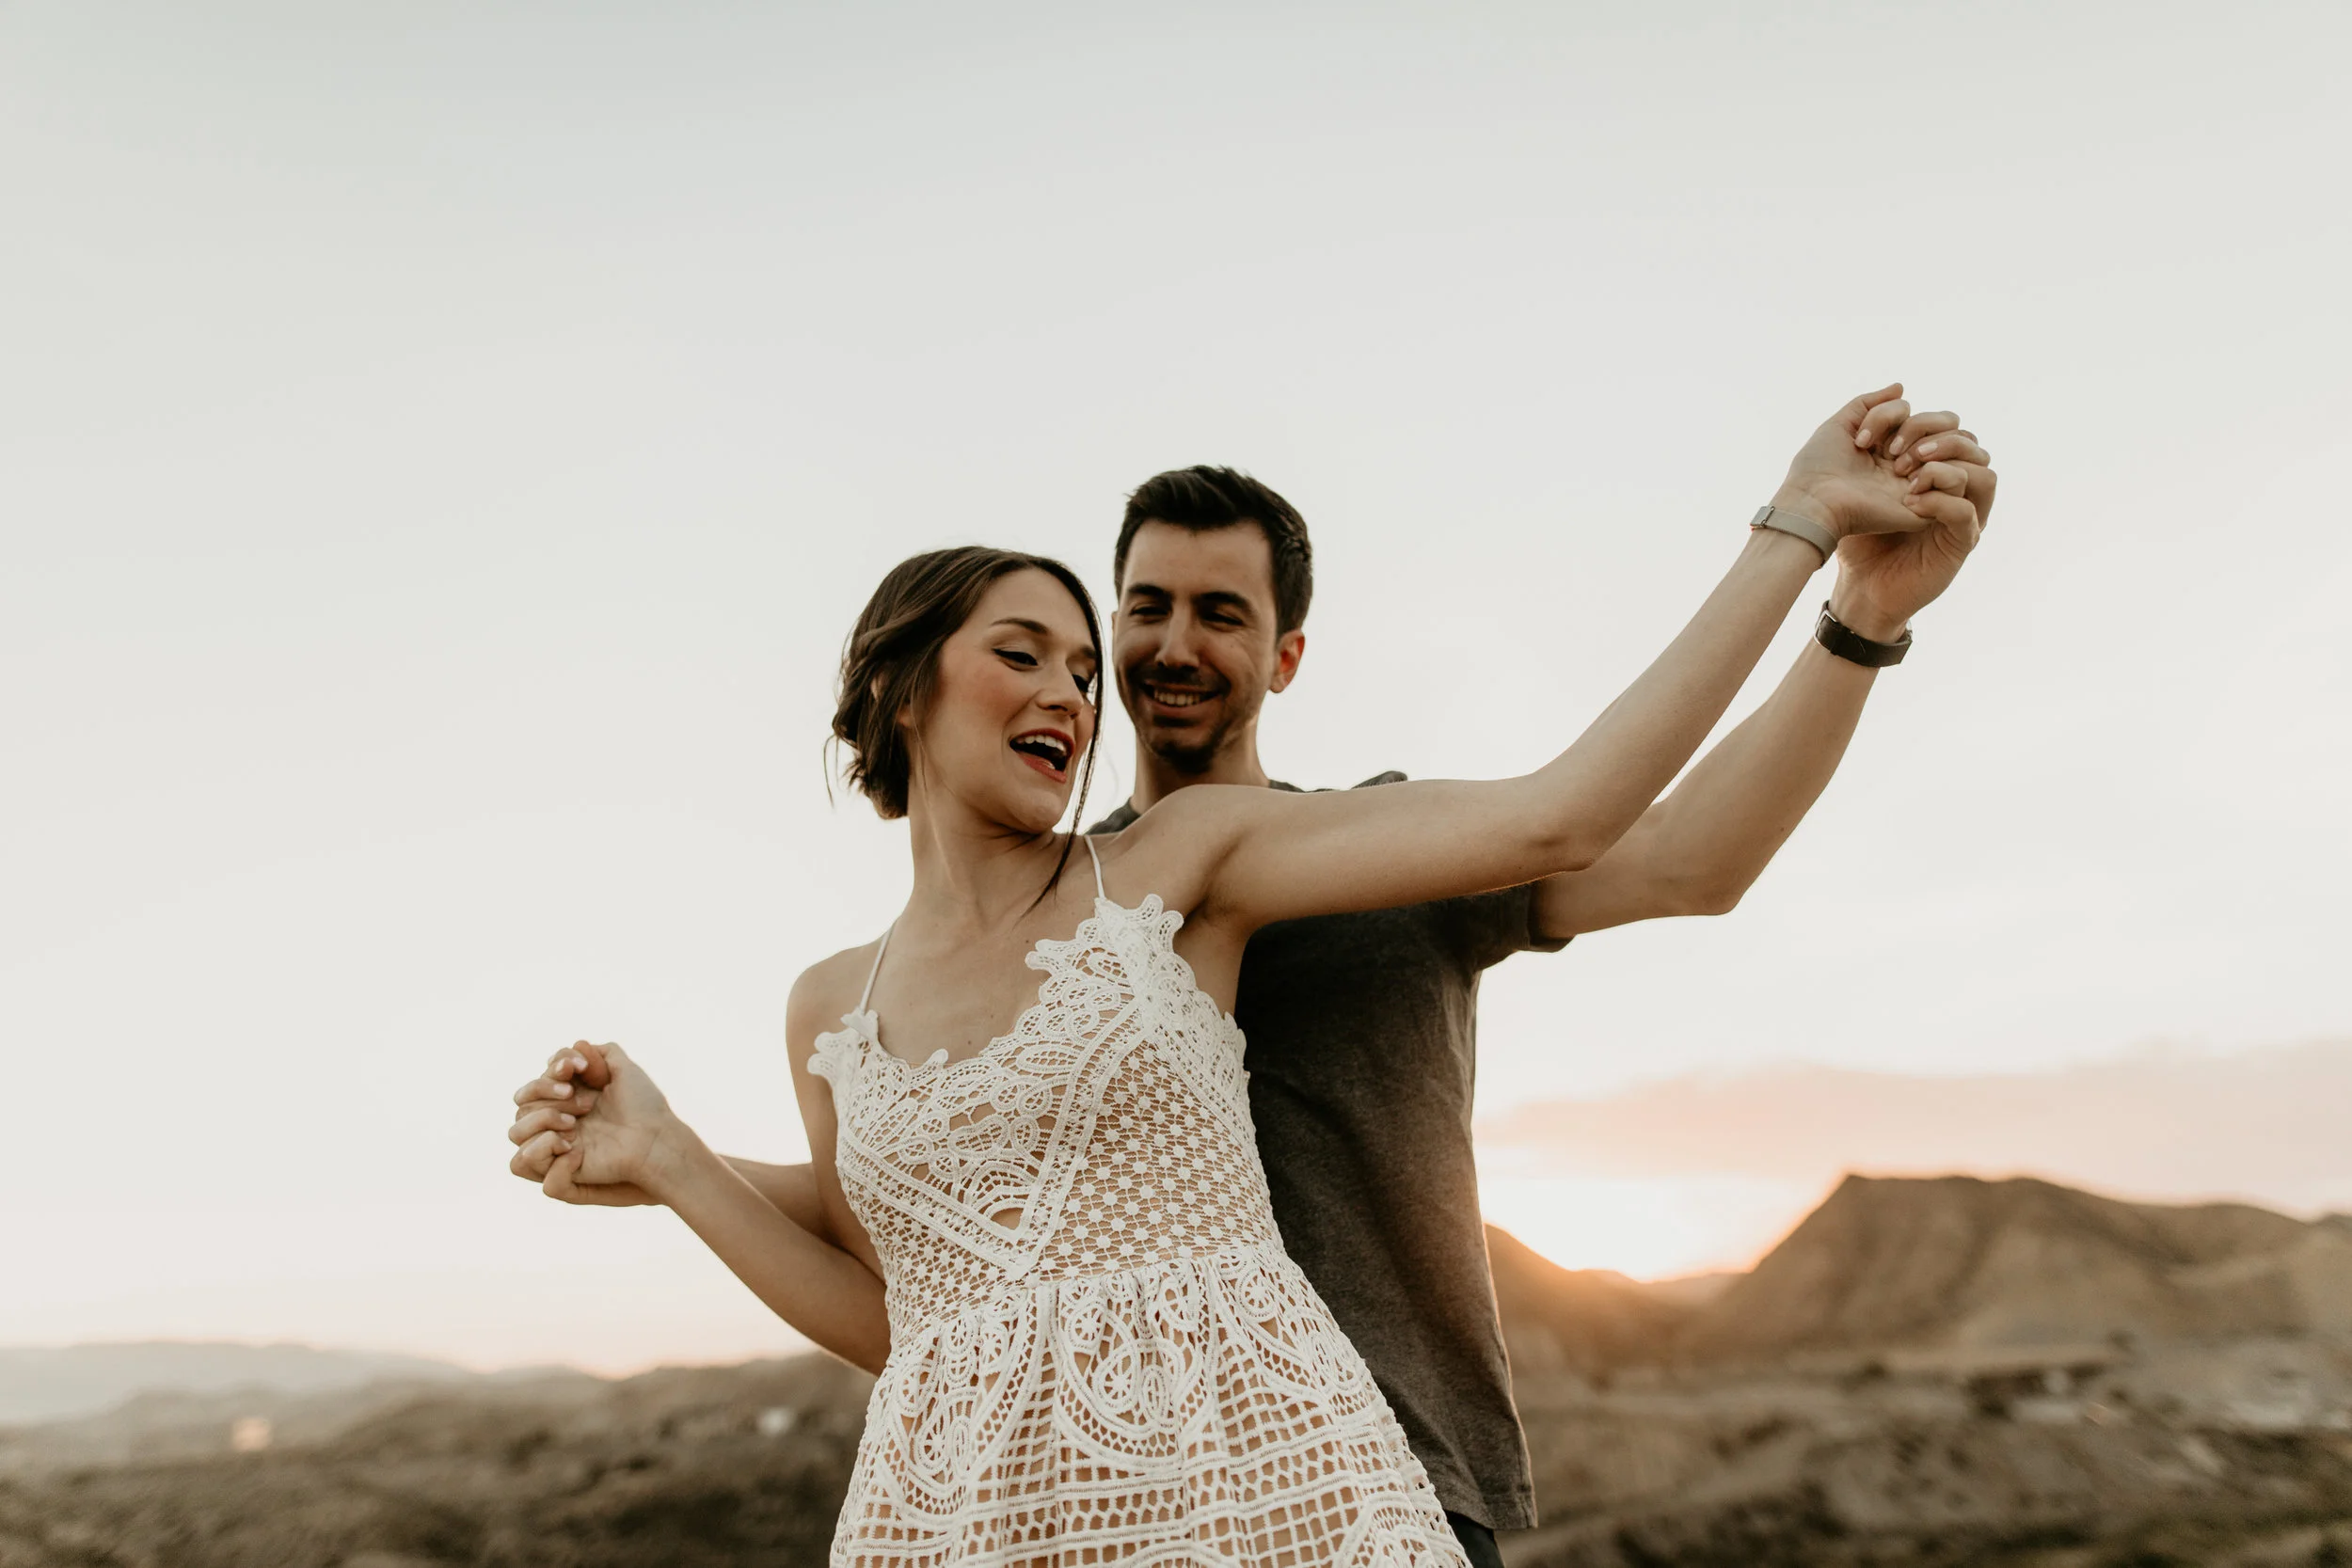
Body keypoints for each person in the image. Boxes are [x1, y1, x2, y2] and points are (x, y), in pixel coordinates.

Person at [505, 386, 1994, 1565]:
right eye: (1133, 610)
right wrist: (673, 1157)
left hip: (1361, 1466)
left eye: (1216, 614)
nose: (1147, 654)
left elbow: (1666, 852)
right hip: (1047, 1507)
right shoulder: (983, 939)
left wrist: (1854, 616)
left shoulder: (1349, 855)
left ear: (1286, 654)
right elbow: (917, 1234)